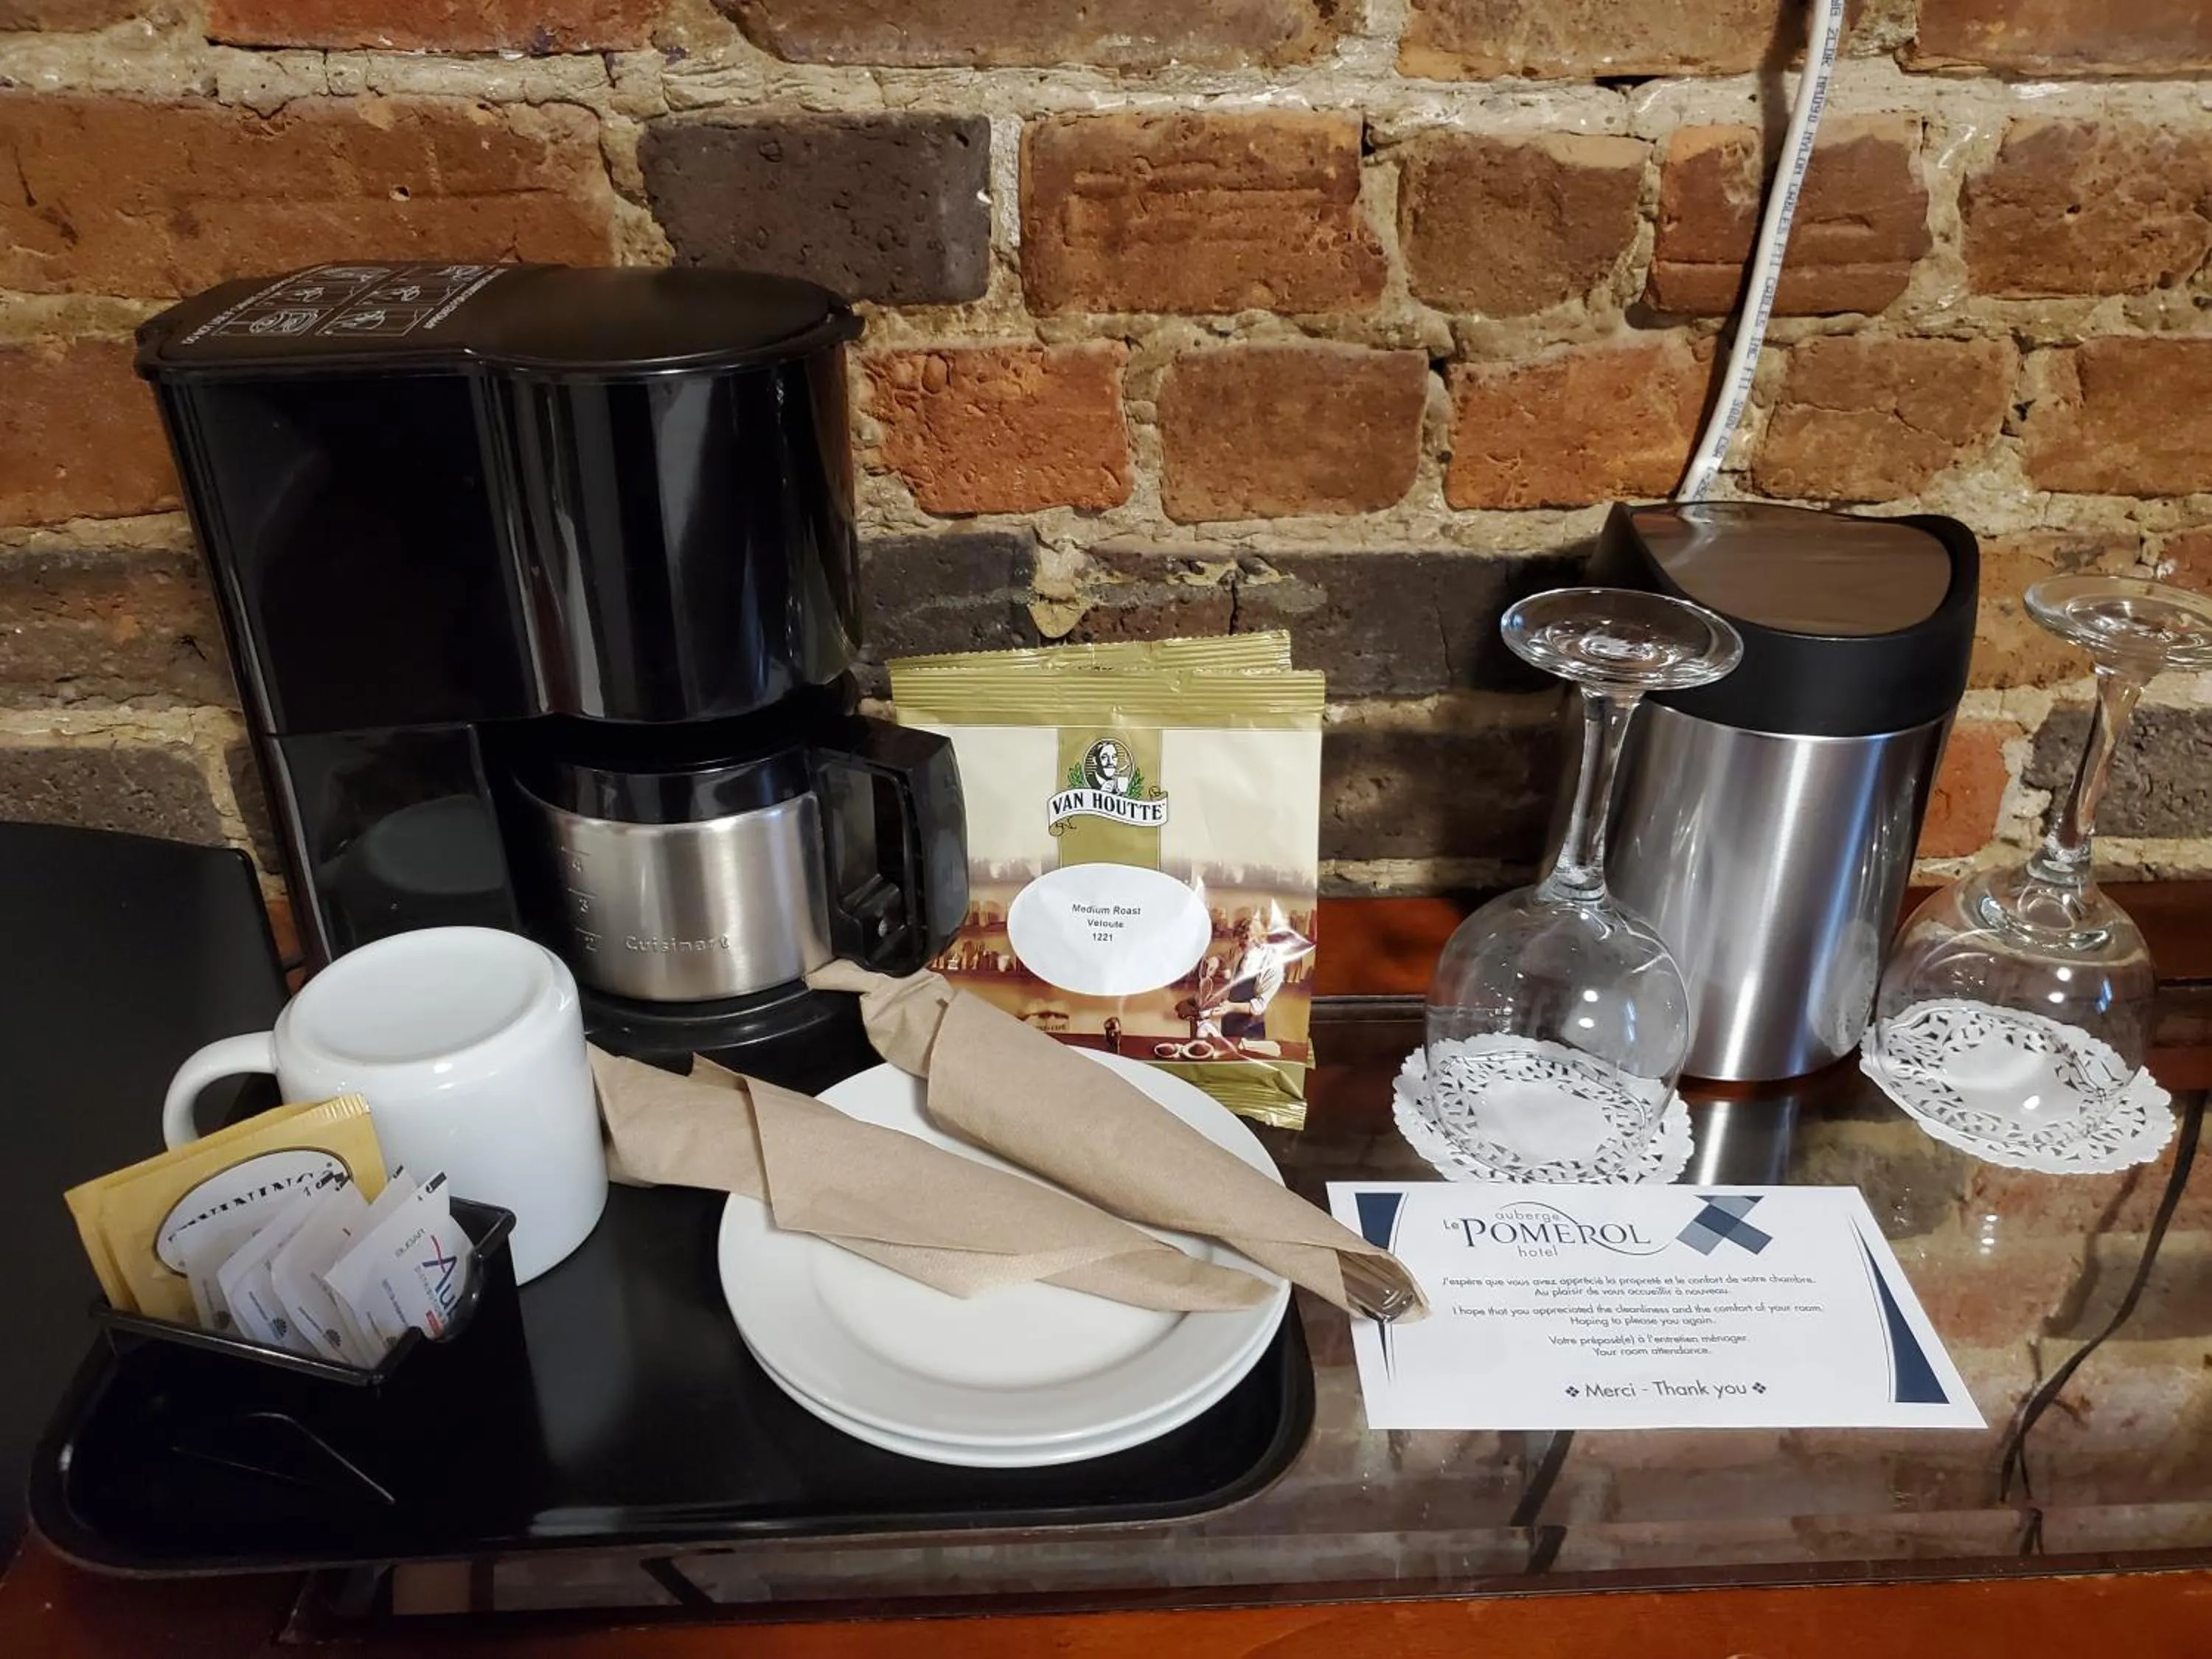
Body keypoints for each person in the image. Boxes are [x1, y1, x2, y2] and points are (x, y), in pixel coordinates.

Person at [1201, 915, 1285, 1046]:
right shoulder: (1241, 949)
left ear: (1258, 938)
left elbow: (1259, 1006)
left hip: (1251, 1026)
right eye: (1239, 937)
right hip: (1230, 1019)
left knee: (1247, 1057)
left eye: (1245, 937)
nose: (1239, 942)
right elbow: (1225, 958)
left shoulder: (1273, 965)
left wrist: (1230, 1006)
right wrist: (1215, 961)